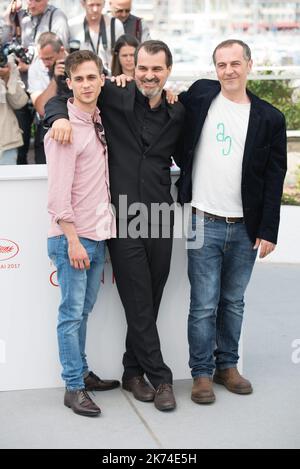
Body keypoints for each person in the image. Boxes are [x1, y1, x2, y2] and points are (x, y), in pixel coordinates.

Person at [44, 40, 185, 412]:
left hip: (158, 218)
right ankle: (162, 377)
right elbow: (68, 95)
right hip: (120, 220)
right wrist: (56, 117)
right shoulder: (115, 96)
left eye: (157, 70)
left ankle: (133, 372)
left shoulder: (177, 110)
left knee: (150, 300)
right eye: (143, 68)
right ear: (131, 68)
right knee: (134, 303)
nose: (149, 75)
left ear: (168, 71)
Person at [176, 39, 287, 404]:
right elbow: (172, 112)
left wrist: (268, 230)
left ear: (249, 65)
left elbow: (275, 176)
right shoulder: (200, 95)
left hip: (245, 226)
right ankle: (202, 374)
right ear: (215, 69)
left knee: (233, 301)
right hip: (202, 220)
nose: (228, 71)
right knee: (203, 304)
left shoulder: (270, 117)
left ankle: (228, 366)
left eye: (235, 63)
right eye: (221, 64)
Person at [45, 50, 119, 417]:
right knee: (71, 315)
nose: (87, 84)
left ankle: (83, 372)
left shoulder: (97, 120)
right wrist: (72, 239)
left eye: (93, 77)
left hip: (97, 234)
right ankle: (73, 386)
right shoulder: (65, 128)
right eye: (80, 79)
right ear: (70, 83)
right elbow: (58, 195)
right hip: (72, 238)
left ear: (101, 79)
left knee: (83, 312)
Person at [3, 0, 70, 165]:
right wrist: (7, 18)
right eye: (28, 0)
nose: (31, 4)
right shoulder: (17, 14)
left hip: (58, 103)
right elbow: (4, 42)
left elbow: (57, 44)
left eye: (37, 0)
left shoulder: (57, 16)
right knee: (22, 142)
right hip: (21, 86)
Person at [28, 32, 68, 164]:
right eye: (42, 58)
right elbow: (40, 108)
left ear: (62, 51)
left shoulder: (77, 63)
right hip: (46, 130)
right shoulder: (35, 69)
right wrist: (55, 79)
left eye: (49, 58)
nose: (45, 63)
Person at [68, 0, 124, 74]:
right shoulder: (72, 25)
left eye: (98, 5)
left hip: (110, 77)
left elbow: (123, 53)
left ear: (104, 4)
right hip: (83, 77)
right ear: (83, 4)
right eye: (91, 5)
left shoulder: (115, 25)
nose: (95, 9)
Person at [0, 53, 28, 164]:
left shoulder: (9, 65)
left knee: (8, 181)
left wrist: (7, 78)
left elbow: (20, 103)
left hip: (6, 144)